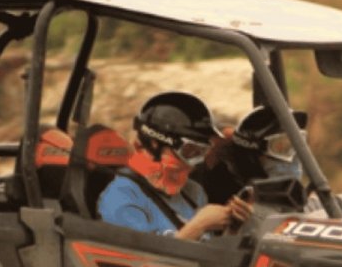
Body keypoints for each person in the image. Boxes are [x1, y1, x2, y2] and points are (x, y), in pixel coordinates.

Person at [98, 91, 251, 239]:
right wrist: (199, 225)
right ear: (154, 143)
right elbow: (145, 259)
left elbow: (204, 253)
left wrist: (232, 230)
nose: (194, 164)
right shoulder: (120, 197)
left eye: (202, 152)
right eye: (190, 151)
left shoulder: (193, 192)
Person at [197, 105, 308, 204]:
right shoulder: (225, 200)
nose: (293, 158)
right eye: (280, 148)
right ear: (251, 160)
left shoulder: (306, 200)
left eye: (294, 146)